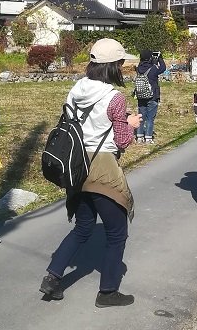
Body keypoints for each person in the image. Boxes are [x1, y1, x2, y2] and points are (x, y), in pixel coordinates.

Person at [39, 38, 141, 308]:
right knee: (117, 232)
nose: (123, 67)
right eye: (121, 63)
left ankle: (53, 276)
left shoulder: (76, 89)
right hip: (102, 166)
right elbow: (122, 141)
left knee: (83, 227)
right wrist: (130, 124)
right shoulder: (114, 97)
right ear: (113, 66)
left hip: (75, 165)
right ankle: (108, 292)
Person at [134, 49, 167, 143]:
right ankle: (148, 137)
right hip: (152, 96)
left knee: (141, 116)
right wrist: (160, 58)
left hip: (141, 96)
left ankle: (139, 136)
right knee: (150, 118)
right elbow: (163, 68)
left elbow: (143, 63)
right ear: (150, 57)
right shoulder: (153, 69)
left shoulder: (139, 68)